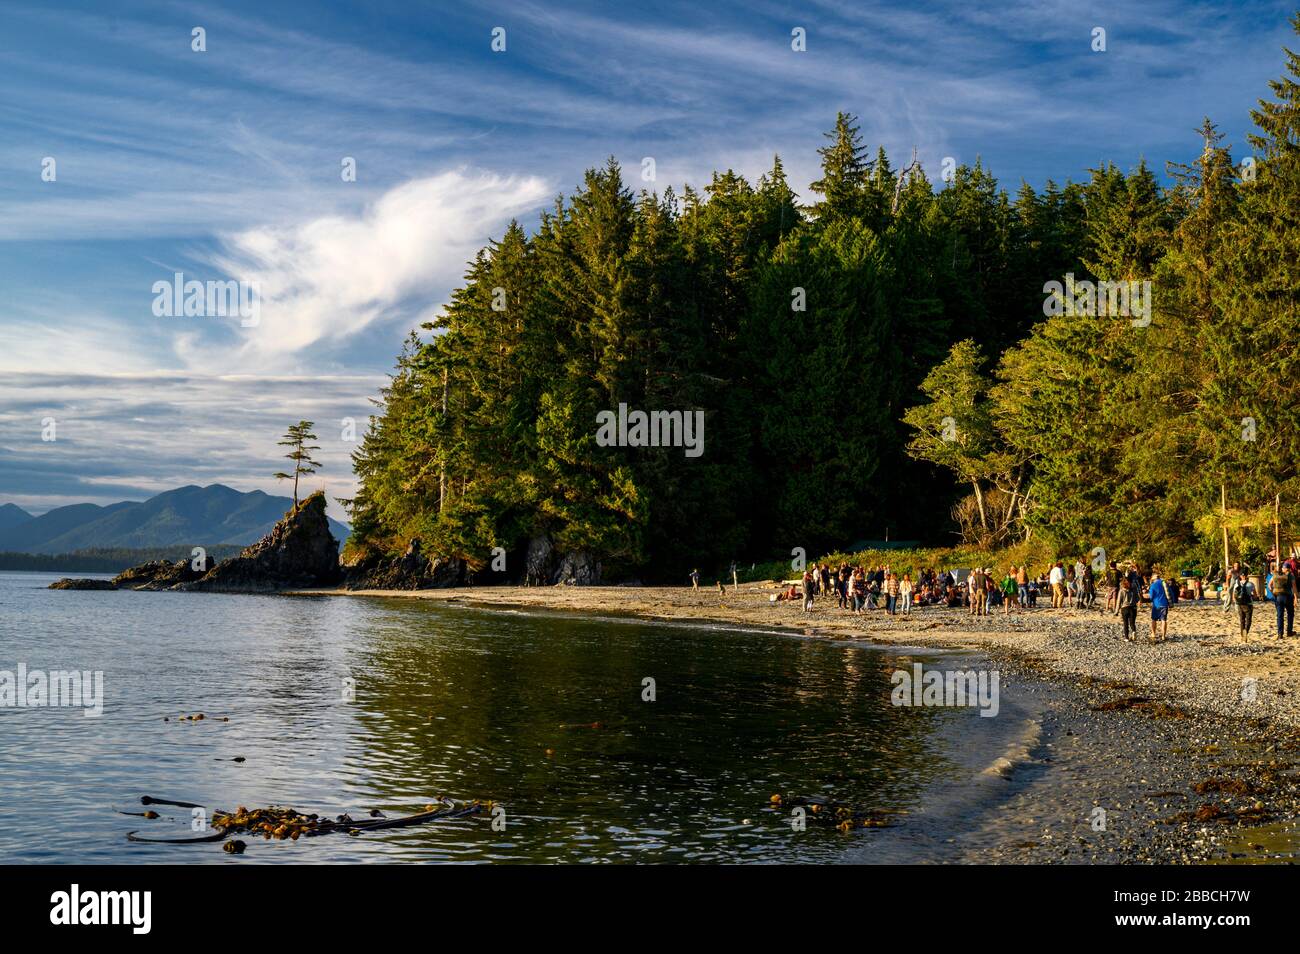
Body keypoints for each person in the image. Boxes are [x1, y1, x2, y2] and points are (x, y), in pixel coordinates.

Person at [1268, 562, 1295, 638]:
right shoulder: (1291, 575)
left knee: (1280, 615)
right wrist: (1296, 597)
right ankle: (1289, 632)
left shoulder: (1276, 575)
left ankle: (1280, 634)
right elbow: (1294, 587)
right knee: (1290, 614)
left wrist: (1274, 593)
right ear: (1289, 569)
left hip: (1278, 597)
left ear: (1283, 568)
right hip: (1288, 597)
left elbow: (1269, 585)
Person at [1230, 567, 1255, 641]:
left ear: (1240, 576)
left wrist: (1235, 602)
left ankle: (1242, 635)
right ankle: (1246, 633)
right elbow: (1255, 595)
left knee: (1242, 620)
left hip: (1239, 604)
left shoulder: (1236, 584)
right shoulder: (1251, 584)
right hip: (1248, 604)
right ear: (1247, 575)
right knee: (1249, 620)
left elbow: (1234, 596)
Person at [1148, 567, 1172, 643]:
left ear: (1153, 578)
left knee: (1154, 619)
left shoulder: (1153, 585)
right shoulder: (1164, 583)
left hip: (1156, 605)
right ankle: (1163, 636)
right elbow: (1170, 593)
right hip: (1164, 604)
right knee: (1164, 620)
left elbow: (1151, 597)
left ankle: (1153, 634)